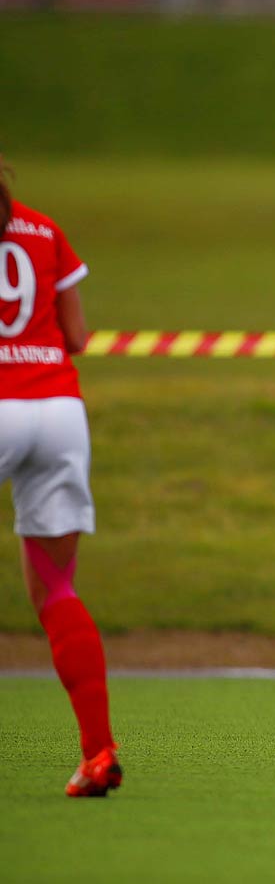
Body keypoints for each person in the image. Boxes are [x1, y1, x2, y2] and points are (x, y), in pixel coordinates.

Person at [0, 161, 119, 796]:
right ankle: (97, 754)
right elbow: (75, 335)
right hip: (57, 414)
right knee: (55, 591)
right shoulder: (44, 232)